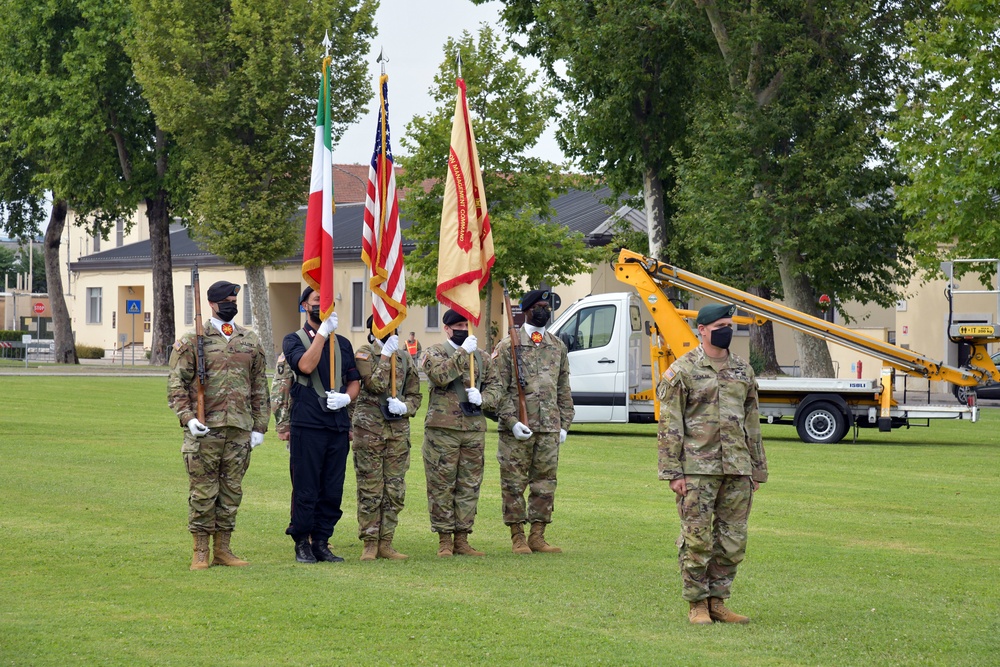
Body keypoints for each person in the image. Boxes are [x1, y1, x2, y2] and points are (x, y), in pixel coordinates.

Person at [657, 303, 768, 624]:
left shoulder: (742, 371)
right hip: (696, 471)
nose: (727, 329)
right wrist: (672, 472)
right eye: (719, 324)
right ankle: (697, 604)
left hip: (737, 469)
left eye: (729, 324)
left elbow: (752, 423)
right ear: (702, 330)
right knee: (697, 538)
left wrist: (757, 469)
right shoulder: (683, 371)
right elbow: (670, 424)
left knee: (732, 539)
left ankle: (719, 601)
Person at [167, 280, 269, 571]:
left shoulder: (250, 341)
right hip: (205, 429)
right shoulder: (192, 341)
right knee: (203, 492)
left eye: (235, 300)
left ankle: (222, 549)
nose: (232, 304)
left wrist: (260, 426)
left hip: (239, 429)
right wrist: (189, 418)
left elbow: (260, 387)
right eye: (226, 300)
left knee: (231, 491)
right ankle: (200, 550)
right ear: (212, 304)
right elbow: (176, 386)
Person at [282, 286, 361, 564]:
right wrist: (323, 334)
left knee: (332, 488)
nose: (322, 305)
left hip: (336, 425)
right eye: (317, 301)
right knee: (306, 487)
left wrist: (346, 399)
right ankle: (302, 541)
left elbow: (354, 380)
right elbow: (305, 366)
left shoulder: (343, 344)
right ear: (305, 306)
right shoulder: (294, 339)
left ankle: (322, 541)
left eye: (326, 300)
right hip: (307, 424)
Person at [492, 289, 574, 554]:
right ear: (526, 310)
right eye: (538, 306)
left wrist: (564, 423)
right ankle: (517, 536)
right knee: (514, 483)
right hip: (518, 429)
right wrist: (511, 421)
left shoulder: (557, 346)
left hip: (549, 427)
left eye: (546, 307)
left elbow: (563, 387)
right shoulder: (508, 347)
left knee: (545, 482)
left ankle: (537, 535)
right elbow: (498, 389)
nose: (544, 311)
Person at [421, 308, 502, 557]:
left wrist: (484, 398)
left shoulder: (483, 357)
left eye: (465, 326)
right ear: (446, 329)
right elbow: (440, 376)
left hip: (473, 429)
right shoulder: (433, 352)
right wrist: (462, 351)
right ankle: (445, 539)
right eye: (456, 327)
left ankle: (462, 538)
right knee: (441, 485)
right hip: (442, 430)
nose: (461, 330)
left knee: (469, 485)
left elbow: (497, 388)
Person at [352, 317, 423, 561]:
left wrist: (405, 407)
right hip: (369, 431)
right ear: (372, 329)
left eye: (392, 326)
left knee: (394, 489)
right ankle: (370, 542)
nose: (388, 331)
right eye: (383, 326)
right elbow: (374, 384)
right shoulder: (364, 353)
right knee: (370, 488)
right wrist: (385, 357)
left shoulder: (404, 358)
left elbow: (415, 394)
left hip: (397, 432)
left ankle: (386, 541)